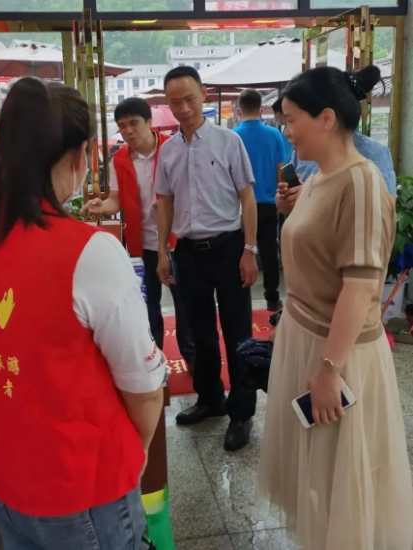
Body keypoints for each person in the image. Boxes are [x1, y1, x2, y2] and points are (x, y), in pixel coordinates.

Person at [0, 78, 165, 550]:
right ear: (80, 155)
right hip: (83, 488)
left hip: (3, 478)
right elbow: (143, 388)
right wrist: (137, 451)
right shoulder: (89, 252)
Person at [257, 66, 413, 550]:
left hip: (337, 351)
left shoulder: (362, 183)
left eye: (291, 120)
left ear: (326, 118)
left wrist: (329, 369)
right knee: (317, 470)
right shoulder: (320, 176)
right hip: (306, 335)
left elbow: (361, 287)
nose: (286, 131)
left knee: (340, 475)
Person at [155, 66, 258, 451]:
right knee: (199, 330)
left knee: (237, 332)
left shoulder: (229, 141)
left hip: (229, 247)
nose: (183, 108)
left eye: (189, 98)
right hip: (188, 252)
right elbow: (165, 203)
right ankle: (210, 398)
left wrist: (249, 250)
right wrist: (163, 251)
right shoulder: (167, 150)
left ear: (202, 94)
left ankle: (241, 412)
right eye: (174, 102)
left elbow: (247, 197)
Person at [82, 97, 196, 375]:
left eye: (133, 123)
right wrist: (101, 205)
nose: (128, 131)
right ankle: (153, 359)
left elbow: (191, 191)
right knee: (147, 306)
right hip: (141, 245)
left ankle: (193, 358)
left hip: (177, 241)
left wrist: (170, 205)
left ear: (149, 122)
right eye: (122, 126)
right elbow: (115, 200)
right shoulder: (119, 158)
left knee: (186, 305)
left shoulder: (173, 148)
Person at [233, 89, 285, 311]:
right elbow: (281, 169)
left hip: (239, 206)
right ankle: (272, 297)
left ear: (238, 110)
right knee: (269, 251)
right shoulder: (274, 135)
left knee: (240, 251)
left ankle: (239, 295)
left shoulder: (233, 136)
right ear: (261, 109)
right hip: (268, 202)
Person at [272, 97, 294, 163]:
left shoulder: (289, 131)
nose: (275, 118)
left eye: (274, 114)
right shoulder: (287, 129)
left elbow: (285, 157)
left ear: (279, 114)